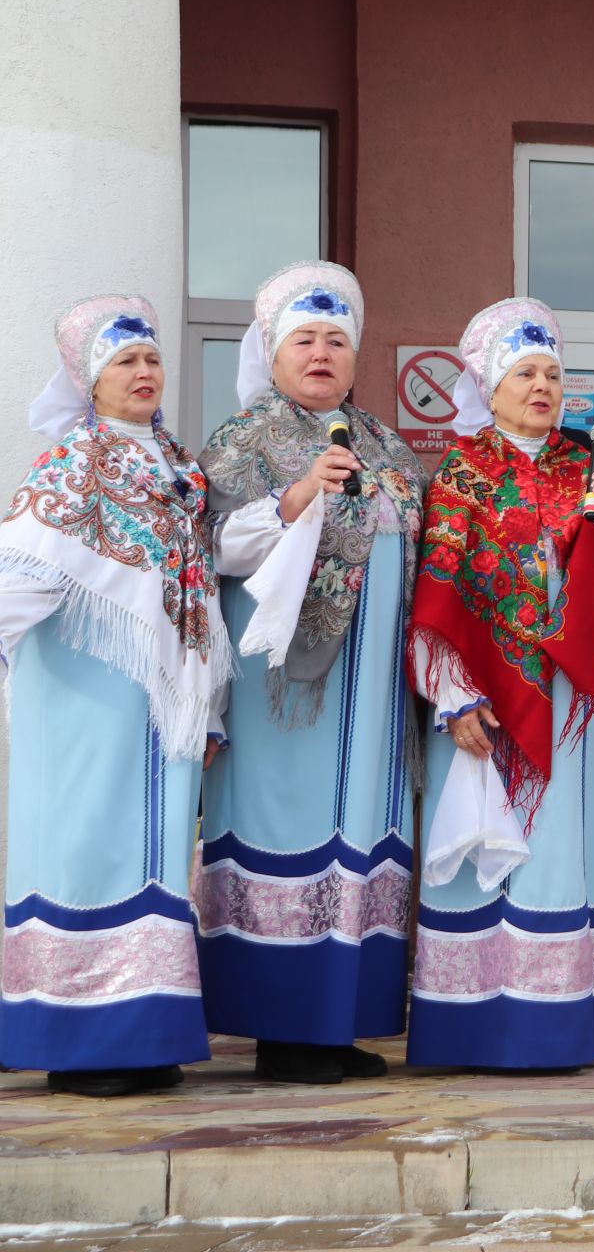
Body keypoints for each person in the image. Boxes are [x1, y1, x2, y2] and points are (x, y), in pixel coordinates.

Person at [405, 300, 594, 1070]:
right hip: (485, 695)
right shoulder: (462, 472)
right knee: (491, 853)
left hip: (569, 696)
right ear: (491, 386)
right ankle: (474, 1029)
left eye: (553, 374)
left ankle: (555, 1029)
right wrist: (451, 695)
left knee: (556, 852)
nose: (543, 386)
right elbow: (438, 590)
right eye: (526, 374)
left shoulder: (590, 469)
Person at [197, 261, 428, 1084]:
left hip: (370, 694)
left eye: (337, 339)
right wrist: (292, 501)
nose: (323, 353)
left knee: (361, 835)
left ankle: (340, 1024)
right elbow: (210, 549)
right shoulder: (243, 438)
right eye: (305, 339)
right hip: (283, 696)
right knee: (285, 832)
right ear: (273, 352)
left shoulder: (383, 441)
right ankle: (282, 1030)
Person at [0, 295, 231, 1095]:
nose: (143, 373)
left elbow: (198, 594)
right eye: (124, 362)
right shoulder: (74, 463)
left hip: (156, 707)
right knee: (87, 848)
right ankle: (79, 1041)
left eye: (151, 359)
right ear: (88, 380)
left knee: (155, 854)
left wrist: (207, 701)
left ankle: (143, 1032)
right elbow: (20, 577)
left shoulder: (179, 464)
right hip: (85, 698)